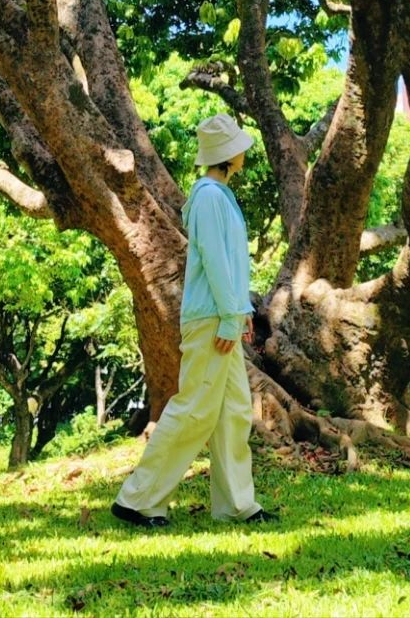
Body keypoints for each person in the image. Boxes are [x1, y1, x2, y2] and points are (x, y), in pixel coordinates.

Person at [112, 112, 278, 528]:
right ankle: (137, 500)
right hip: (210, 319)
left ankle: (237, 505)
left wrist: (240, 315)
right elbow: (214, 262)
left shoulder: (220, 196)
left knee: (234, 412)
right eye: (237, 146)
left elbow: (232, 266)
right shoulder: (206, 197)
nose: (243, 151)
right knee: (193, 410)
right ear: (227, 155)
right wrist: (227, 316)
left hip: (223, 317)